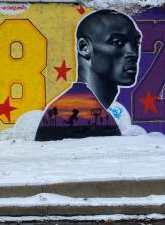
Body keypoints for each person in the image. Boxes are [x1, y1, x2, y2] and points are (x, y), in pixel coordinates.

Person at [35, 10, 142, 141]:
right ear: (84, 47)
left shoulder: (78, 105)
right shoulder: (82, 113)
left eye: (136, 43)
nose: (133, 53)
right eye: (117, 42)